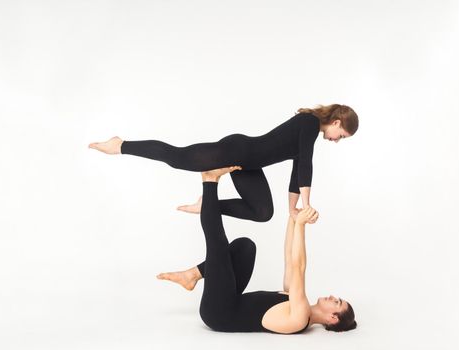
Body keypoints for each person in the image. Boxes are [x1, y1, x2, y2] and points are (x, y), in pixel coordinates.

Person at [157, 166, 357, 333]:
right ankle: (193, 274)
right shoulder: (294, 300)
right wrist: (293, 218)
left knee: (217, 246)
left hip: (218, 313)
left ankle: (209, 181)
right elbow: (289, 258)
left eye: (337, 302)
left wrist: (302, 226)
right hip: (229, 301)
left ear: (332, 318)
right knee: (245, 247)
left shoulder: (299, 317)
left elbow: (299, 267)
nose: (332, 297)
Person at [89, 104, 359, 223]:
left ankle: (208, 205)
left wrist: (293, 208)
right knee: (179, 158)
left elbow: (296, 169)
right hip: (237, 149)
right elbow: (306, 166)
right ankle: (121, 145)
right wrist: (308, 204)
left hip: (249, 165)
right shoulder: (310, 123)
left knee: (263, 213)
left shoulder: (308, 133)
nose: (337, 140)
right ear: (336, 123)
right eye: (341, 136)